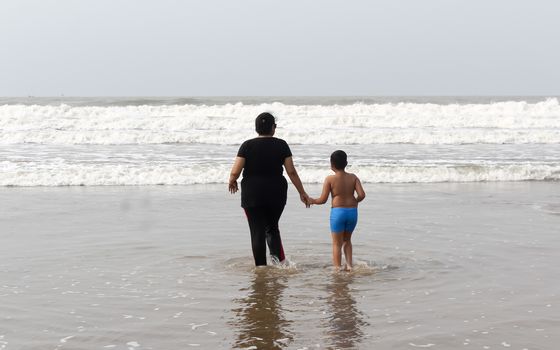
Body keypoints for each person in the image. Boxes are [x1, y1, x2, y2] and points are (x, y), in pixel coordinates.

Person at [229, 112, 310, 266]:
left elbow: (235, 171)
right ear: (273, 127)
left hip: (252, 194)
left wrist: (232, 181)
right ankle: (279, 264)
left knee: (256, 232)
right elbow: (291, 171)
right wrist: (302, 192)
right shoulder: (282, 144)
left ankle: (260, 268)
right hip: (276, 193)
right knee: (272, 228)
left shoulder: (247, 145)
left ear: (256, 128)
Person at [309, 150, 365, 271]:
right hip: (352, 212)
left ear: (332, 164)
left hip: (338, 213)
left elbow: (323, 200)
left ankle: (337, 269)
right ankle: (350, 266)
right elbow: (362, 195)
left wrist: (311, 200)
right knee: (347, 240)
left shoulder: (330, 179)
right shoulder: (353, 177)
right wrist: (355, 200)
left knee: (337, 243)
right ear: (346, 163)